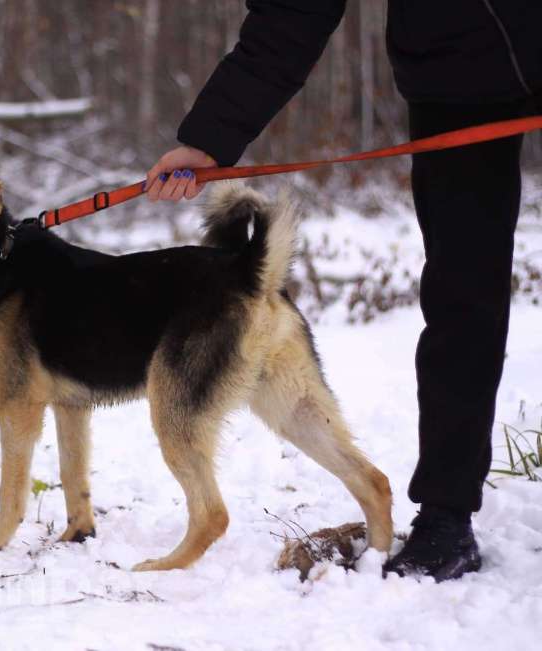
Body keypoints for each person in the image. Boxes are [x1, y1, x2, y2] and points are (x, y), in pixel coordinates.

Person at [146, 0, 541, 582]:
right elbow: (293, 12)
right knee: (464, 301)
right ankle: (446, 516)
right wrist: (210, 138)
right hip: (456, 80)